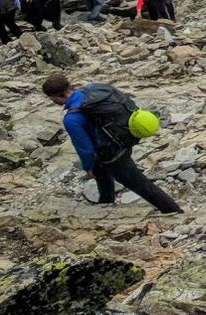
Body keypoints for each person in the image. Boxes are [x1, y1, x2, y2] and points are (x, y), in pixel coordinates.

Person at [43, 73, 181, 214]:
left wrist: (88, 167)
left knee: (140, 184)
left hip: (112, 154)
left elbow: (85, 149)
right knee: (101, 171)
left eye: (51, 98)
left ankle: (173, 211)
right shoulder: (95, 88)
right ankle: (105, 203)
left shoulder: (71, 119)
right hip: (123, 136)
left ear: (56, 97)